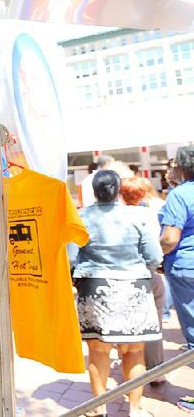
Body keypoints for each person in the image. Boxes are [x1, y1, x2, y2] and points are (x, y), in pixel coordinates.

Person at [73, 170, 163, 417]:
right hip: (134, 286)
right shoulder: (138, 216)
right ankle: (135, 409)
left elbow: (71, 257)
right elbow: (153, 255)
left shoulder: (80, 217)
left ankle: (98, 408)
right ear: (118, 189)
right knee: (134, 351)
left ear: (94, 191)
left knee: (98, 351)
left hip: (95, 288)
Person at [120, 176, 167, 386]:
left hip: (120, 275)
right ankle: (156, 371)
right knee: (154, 323)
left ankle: (129, 369)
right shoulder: (149, 215)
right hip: (147, 275)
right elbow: (155, 252)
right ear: (143, 194)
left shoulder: (115, 214)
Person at [159, 146, 194, 351]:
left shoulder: (179, 195)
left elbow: (170, 238)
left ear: (181, 168)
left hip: (186, 265)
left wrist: (157, 255)